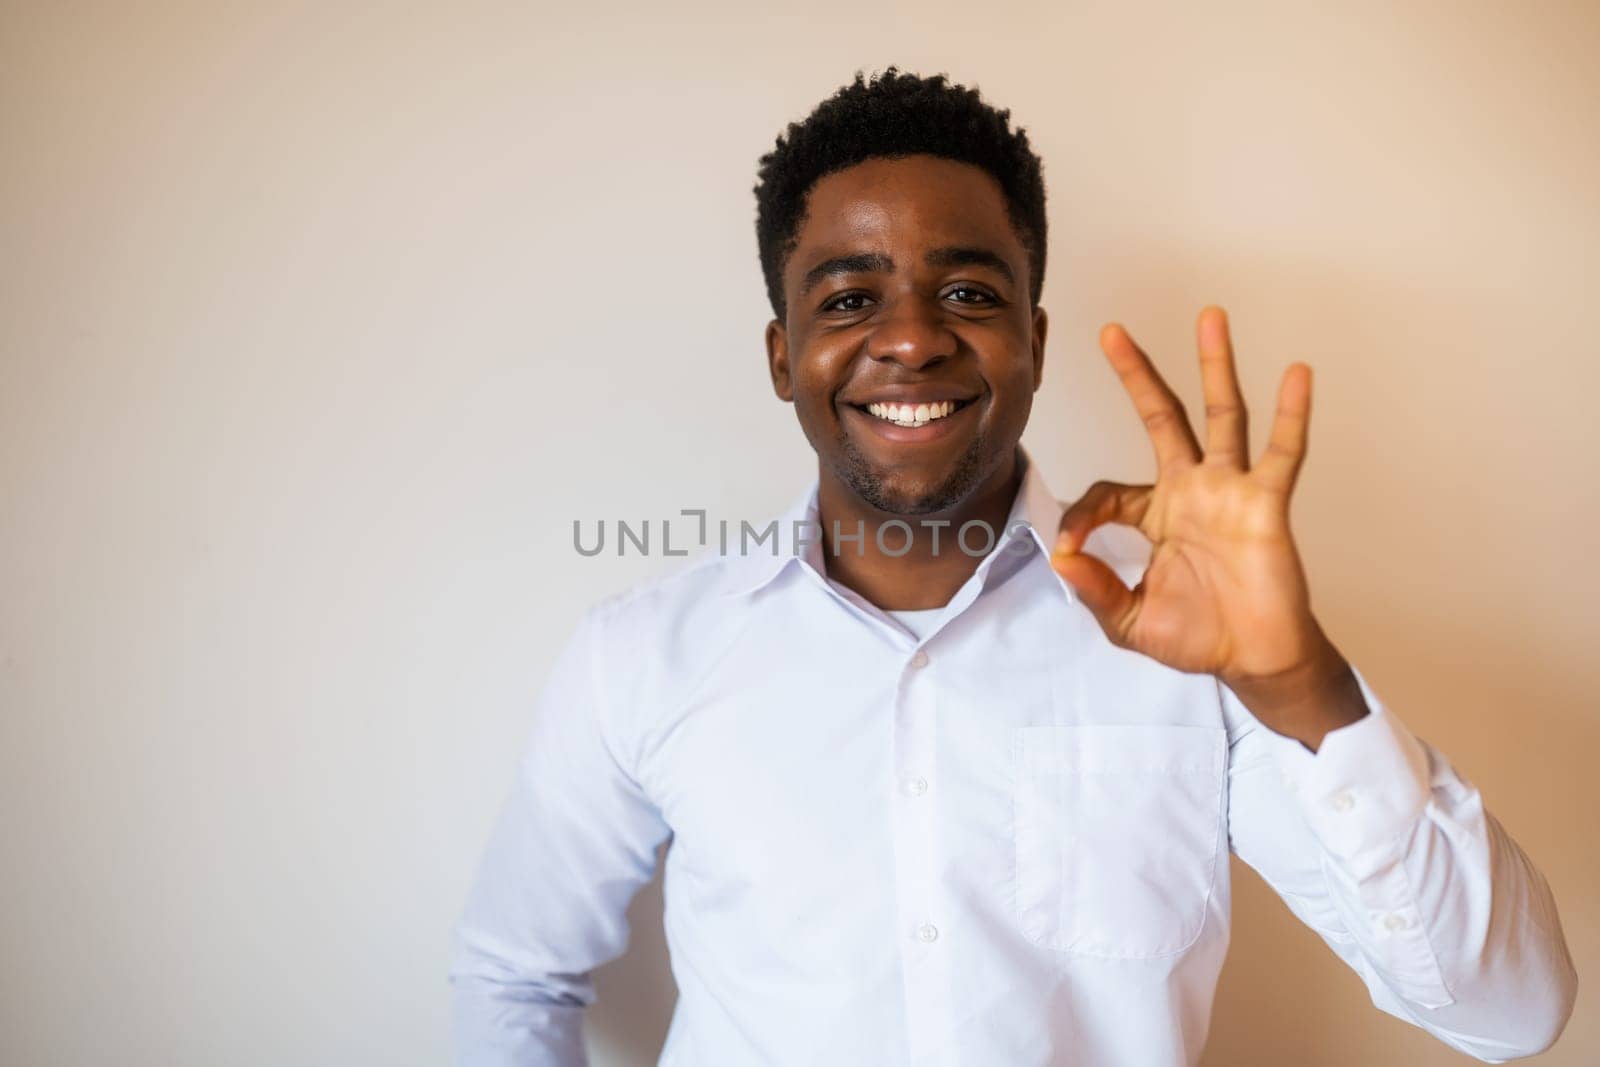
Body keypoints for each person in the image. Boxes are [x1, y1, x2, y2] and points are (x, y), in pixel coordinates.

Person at [448, 67, 1577, 1066]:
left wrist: (1298, 684)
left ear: (1032, 337)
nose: (910, 338)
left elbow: (1512, 1014)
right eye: (849, 298)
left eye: (968, 292)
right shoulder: (641, 653)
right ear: (782, 356)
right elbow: (513, 977)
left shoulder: (1194, 641)